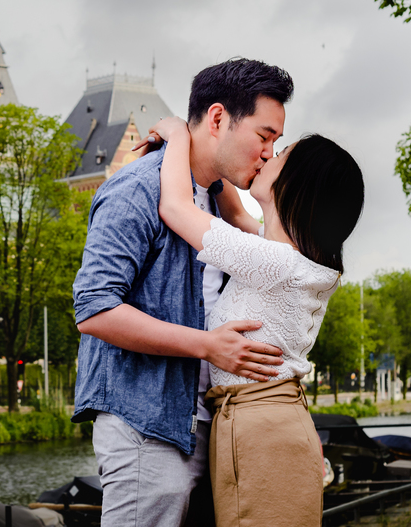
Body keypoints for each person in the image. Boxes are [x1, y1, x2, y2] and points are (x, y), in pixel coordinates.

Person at [72, 58, 294, 527]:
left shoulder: (218, 203)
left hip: (212, 429)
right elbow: (94, 309)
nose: (268, 154)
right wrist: (208, 346)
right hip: (145, 427)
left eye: (275, 143)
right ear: (218, 119)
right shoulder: (134, 190)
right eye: (264, 136)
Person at [149, 116, 364, 527]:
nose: (267, 155)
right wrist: (213, 150)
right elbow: (232, 208)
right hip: (257, 421)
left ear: (298, 186)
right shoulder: (283, 257)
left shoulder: (275, 263)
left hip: (262, 431)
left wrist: (179, 133)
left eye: (280, 154)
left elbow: (175, 206)